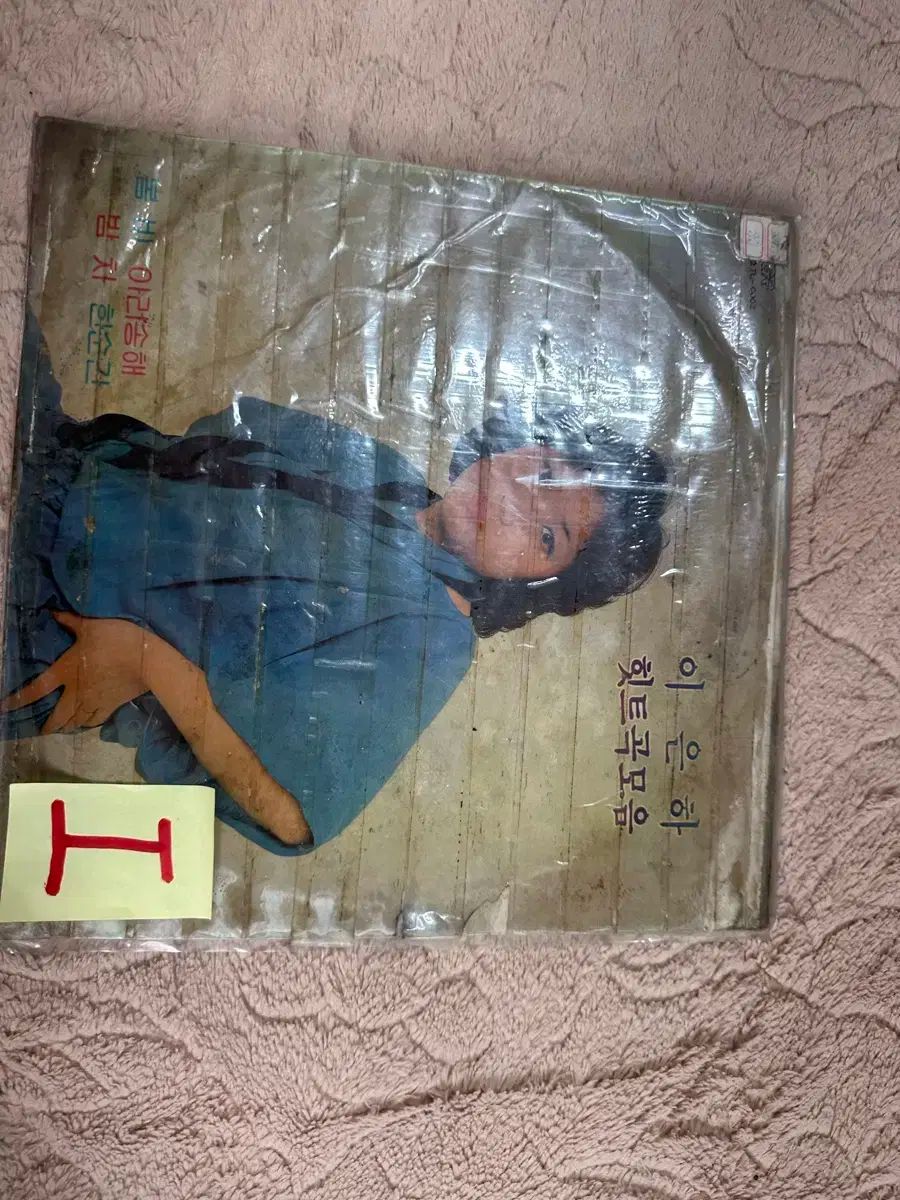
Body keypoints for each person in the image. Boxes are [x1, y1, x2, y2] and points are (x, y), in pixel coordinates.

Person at [0, 312, 669, 855]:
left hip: (41, 618)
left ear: (539, 581)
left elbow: (292, 817)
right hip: (57, 454)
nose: (520, 502)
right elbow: (213, 437)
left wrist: (147, 662)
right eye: (544, 472)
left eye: (548, 536)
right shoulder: (389, 473)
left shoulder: (435, 639)